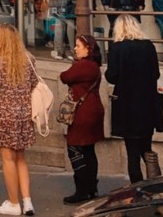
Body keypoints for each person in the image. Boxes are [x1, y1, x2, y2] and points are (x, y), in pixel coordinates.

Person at [0, 23, 36, 217]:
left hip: (4, 115)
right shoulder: (29, 59)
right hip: (24, 115)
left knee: (8, 159)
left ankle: (14, 203)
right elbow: (34, 85)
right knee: (21, 158)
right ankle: (27, 201)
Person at [105, 14, 162, 184]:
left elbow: (112, 76)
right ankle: (156, 185)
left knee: (132, 153)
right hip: (147, 104)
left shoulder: (117, 48)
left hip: (127, 105)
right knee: (147, 150)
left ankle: (137, 190)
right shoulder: (148, 46)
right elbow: (156, 74)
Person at [59, 34, 104, 204]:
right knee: (88, 150)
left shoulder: (84, 65)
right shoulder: (94, 66)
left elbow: (65, 77)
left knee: (75, 149)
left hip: (83, 113)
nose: (75, 48)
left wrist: (74, 66)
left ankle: (82, 190)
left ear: (88, 49)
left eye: (78, 46)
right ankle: (91, 188)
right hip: (93, 110)